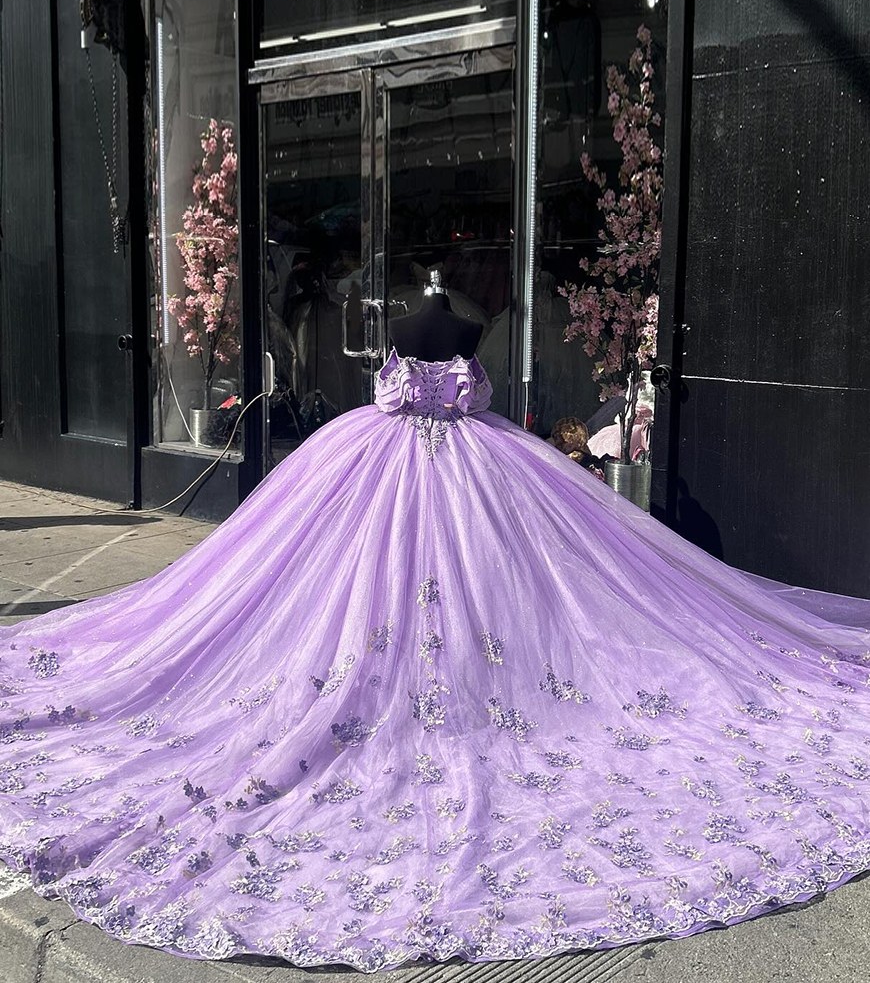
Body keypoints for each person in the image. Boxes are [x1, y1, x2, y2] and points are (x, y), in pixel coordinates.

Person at [0, 279, 869, 974]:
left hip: (473, 473)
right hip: (387, 468)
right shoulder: (427, 347)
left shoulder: (452, 332)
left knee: (511, 593)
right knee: (333, 591)